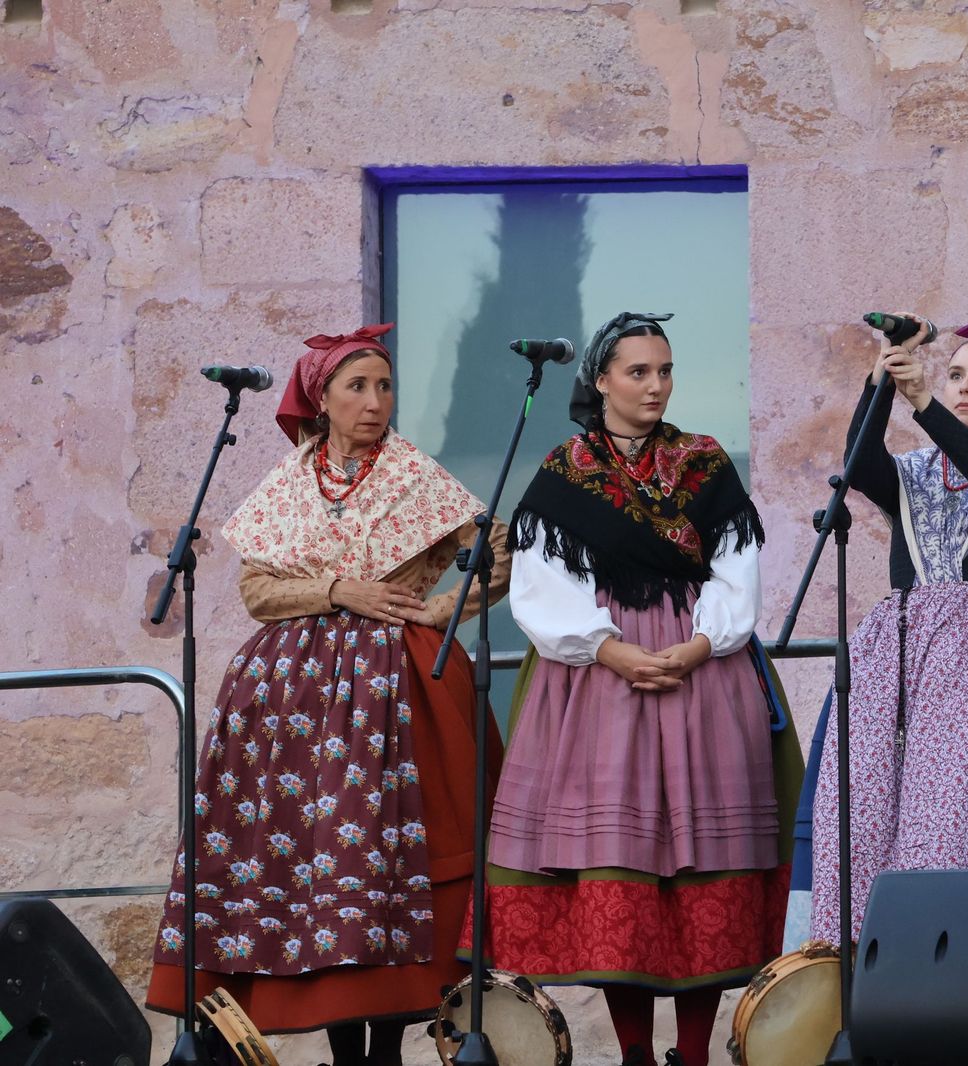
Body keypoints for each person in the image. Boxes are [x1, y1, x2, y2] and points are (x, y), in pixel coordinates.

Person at [147, 324, 511, 1066]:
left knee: (393, 856)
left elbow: (496, 553)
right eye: (357, 387)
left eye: (384, 387)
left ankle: (391, 1046)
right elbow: (256, 589)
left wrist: (443, 609)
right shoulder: (287, 485)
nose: (375, 402)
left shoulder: (414, 476)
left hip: (402, 685)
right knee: (317, 861)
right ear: (322, 398)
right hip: (294, 699)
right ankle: (345, 1049)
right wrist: (338, 589)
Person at [480, 312, 796, 1066]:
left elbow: (736, 569)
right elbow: (540, 585)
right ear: (600, 381)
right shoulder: (564, 471)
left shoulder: (703, 462)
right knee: (621, 867)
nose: (656, 386)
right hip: (602, 682)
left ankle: (692, 1053)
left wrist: (696, 645)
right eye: (638, 372)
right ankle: (633, 1054)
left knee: (704, 866)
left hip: (704, 674)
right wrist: (609, 651)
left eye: (665, 371)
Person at [809, 318, 968, 944]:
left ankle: (942, 972)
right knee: (859, 817)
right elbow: (861, 464)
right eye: (954, 375)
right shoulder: (916, 471)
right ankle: (857, 979)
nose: (965, 386)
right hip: (893, 649)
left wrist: (923, 402)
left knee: (946, 823)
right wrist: (881, 379)